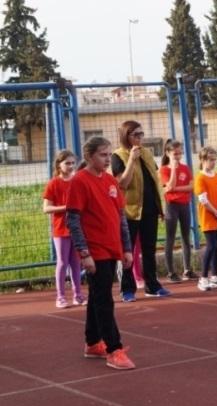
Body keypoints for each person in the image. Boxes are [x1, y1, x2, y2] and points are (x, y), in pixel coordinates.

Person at [66, 137, 135, 370]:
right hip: (95, 249)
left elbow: (120, 217)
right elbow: (73, 220)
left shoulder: (109, 180)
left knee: (98, 294)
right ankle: (114, 348)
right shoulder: (79, 182)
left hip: (112, 247)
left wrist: (126, 247)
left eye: (108, 154)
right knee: (104, 299)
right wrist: (84, 253)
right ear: (89, 157)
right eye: (102, 155)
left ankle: (92, 341)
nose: (107, 159)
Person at [111, 120, 170, 301]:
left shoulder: (147, 153)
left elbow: (154, 179)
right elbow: (123, 183)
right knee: (128, 251)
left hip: (150, 208)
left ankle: (152, 284)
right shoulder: (117, 156)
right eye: (136, 135)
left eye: (141, 134)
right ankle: (127, 289)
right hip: (130, 210)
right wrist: (131, 160)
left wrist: (161, 206)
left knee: (149, 249)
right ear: (126, 136)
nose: (139, 138)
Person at [42, 150, 85, 308]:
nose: (71, 166)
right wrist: (65, 208)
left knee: (76, 262)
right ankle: (60, 296)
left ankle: (78, 294)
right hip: (61, 229)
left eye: (73, 163)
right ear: (59, 165)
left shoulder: (77, 181)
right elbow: (46, 208)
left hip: (77, 228)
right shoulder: (53, 183)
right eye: (67, 163)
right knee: (62, 261)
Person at [159, 139, 197, 283]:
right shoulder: (164, 170)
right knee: (170, 238)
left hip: (184, 205)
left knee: (186, 237)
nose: (178, 156)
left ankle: (187, 269)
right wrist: (174, 169)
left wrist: (175, 188)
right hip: (171, 205)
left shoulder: (186, 168)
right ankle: (171, 272)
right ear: (168, 153)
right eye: (175, 154)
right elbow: (169, 186)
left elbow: (191, 186)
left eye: (180, 153)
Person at [194, 146, 217, 291]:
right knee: (211, 245)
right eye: (210, 160)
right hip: (208, 217)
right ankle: (203, 278)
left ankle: (214, 276)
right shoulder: (200, 178)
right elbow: (203, 199)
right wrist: (216, 211)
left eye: (215, 160)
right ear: (203, 160)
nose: (213, 163)